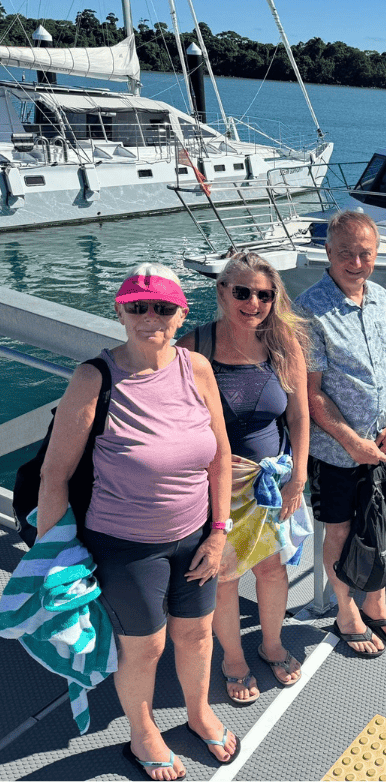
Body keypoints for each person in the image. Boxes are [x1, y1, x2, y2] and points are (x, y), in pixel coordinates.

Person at [38, 264, 237, 778]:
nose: (150, 317)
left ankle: (197, 712)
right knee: (145, 645)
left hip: (195, 534)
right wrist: (49, 563)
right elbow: (54, 477)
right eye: (137, 306)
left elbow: (220, 456)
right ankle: (143, 729)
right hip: (124, 543)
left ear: (181, 313)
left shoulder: (197, 368)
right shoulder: (94, 377)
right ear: (119, 310)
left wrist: (219, 533)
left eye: (163, 307)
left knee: (196, 634)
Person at [175, 253, 308, 704]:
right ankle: (233, 658)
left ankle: (271, 645)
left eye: (264, 295)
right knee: (225, 575)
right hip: (215, 486)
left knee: (272, 568)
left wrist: (298, 478)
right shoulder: (196, 347)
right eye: (242, 292)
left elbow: (300, 417)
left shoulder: (283, 343)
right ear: (221, 292)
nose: (253, 303)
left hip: (270, 484)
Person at [296, 211, 386, 658]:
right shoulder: (307, 309)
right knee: (341, 532)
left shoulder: (385, 300)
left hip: (385, 443)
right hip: (337, 452)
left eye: (366, 253)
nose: (357, 262)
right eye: (346, 253)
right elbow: (312, 392)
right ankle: (346, 611)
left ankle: (376, 603)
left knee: (383, 524)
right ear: (328, 252)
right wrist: (350, 441)